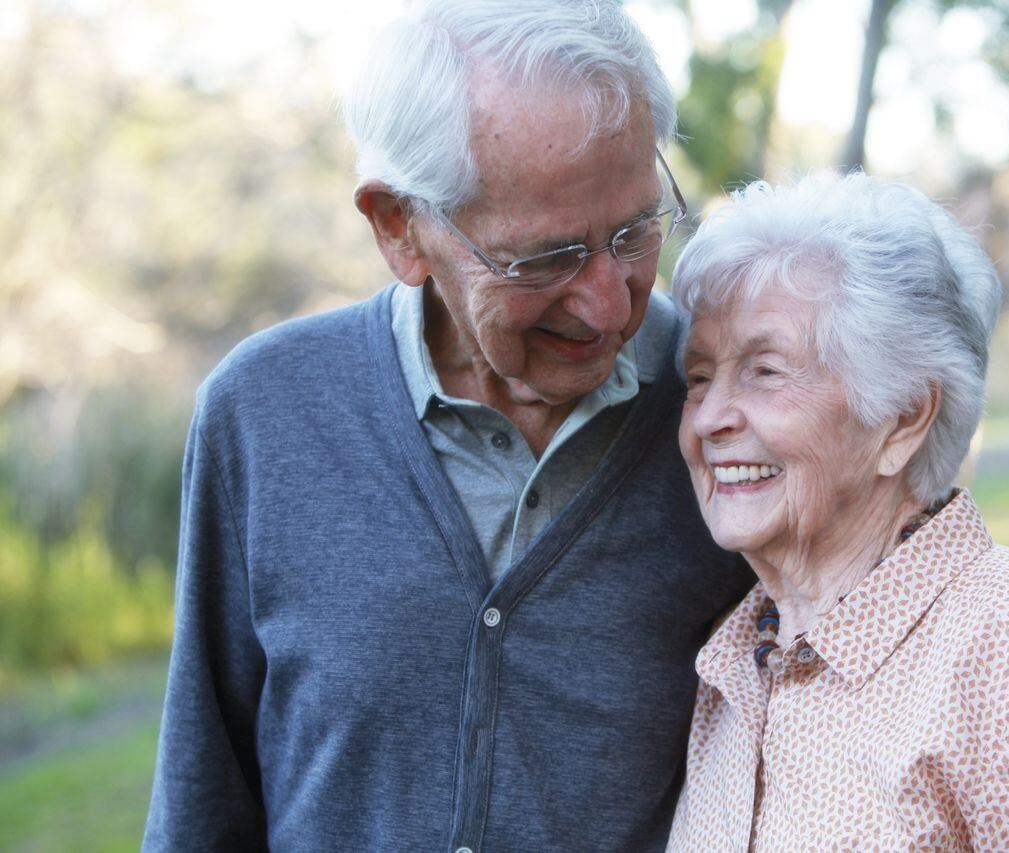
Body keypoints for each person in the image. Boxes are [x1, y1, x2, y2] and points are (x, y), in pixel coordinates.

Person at [143, 2, 751, 849]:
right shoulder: (265, 411)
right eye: (546, 256)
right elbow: (203, 796)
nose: (611, 300)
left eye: (635, 230)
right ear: (399, 226)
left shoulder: (735, 414)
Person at [665, 173, 1009, 850]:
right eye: (700, 376)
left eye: (765, 370)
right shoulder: (738, 653)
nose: (708, 417)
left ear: (904, 419)